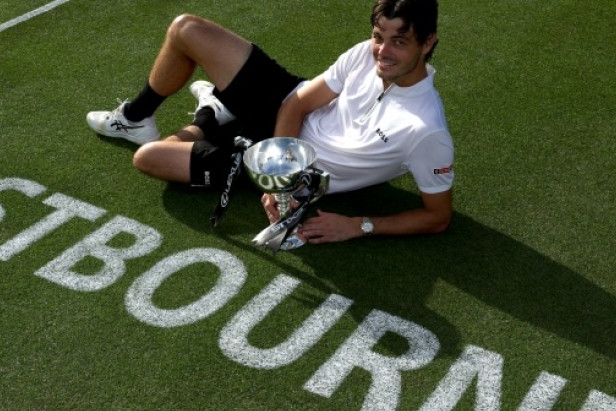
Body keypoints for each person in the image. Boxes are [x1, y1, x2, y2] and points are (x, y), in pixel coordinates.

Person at [86, 0, 454, 246]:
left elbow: (437, 218)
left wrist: (358, 225)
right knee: (187, 29)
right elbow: (297, 102)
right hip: (284, 128)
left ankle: (212, 114)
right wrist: (281, 174)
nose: (382, 52)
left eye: (399, 41)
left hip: (306, 169)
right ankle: (135, 117)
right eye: (379, 36)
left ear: (427, 42)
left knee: (149, 158)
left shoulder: (426, 130)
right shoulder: (365, 53)